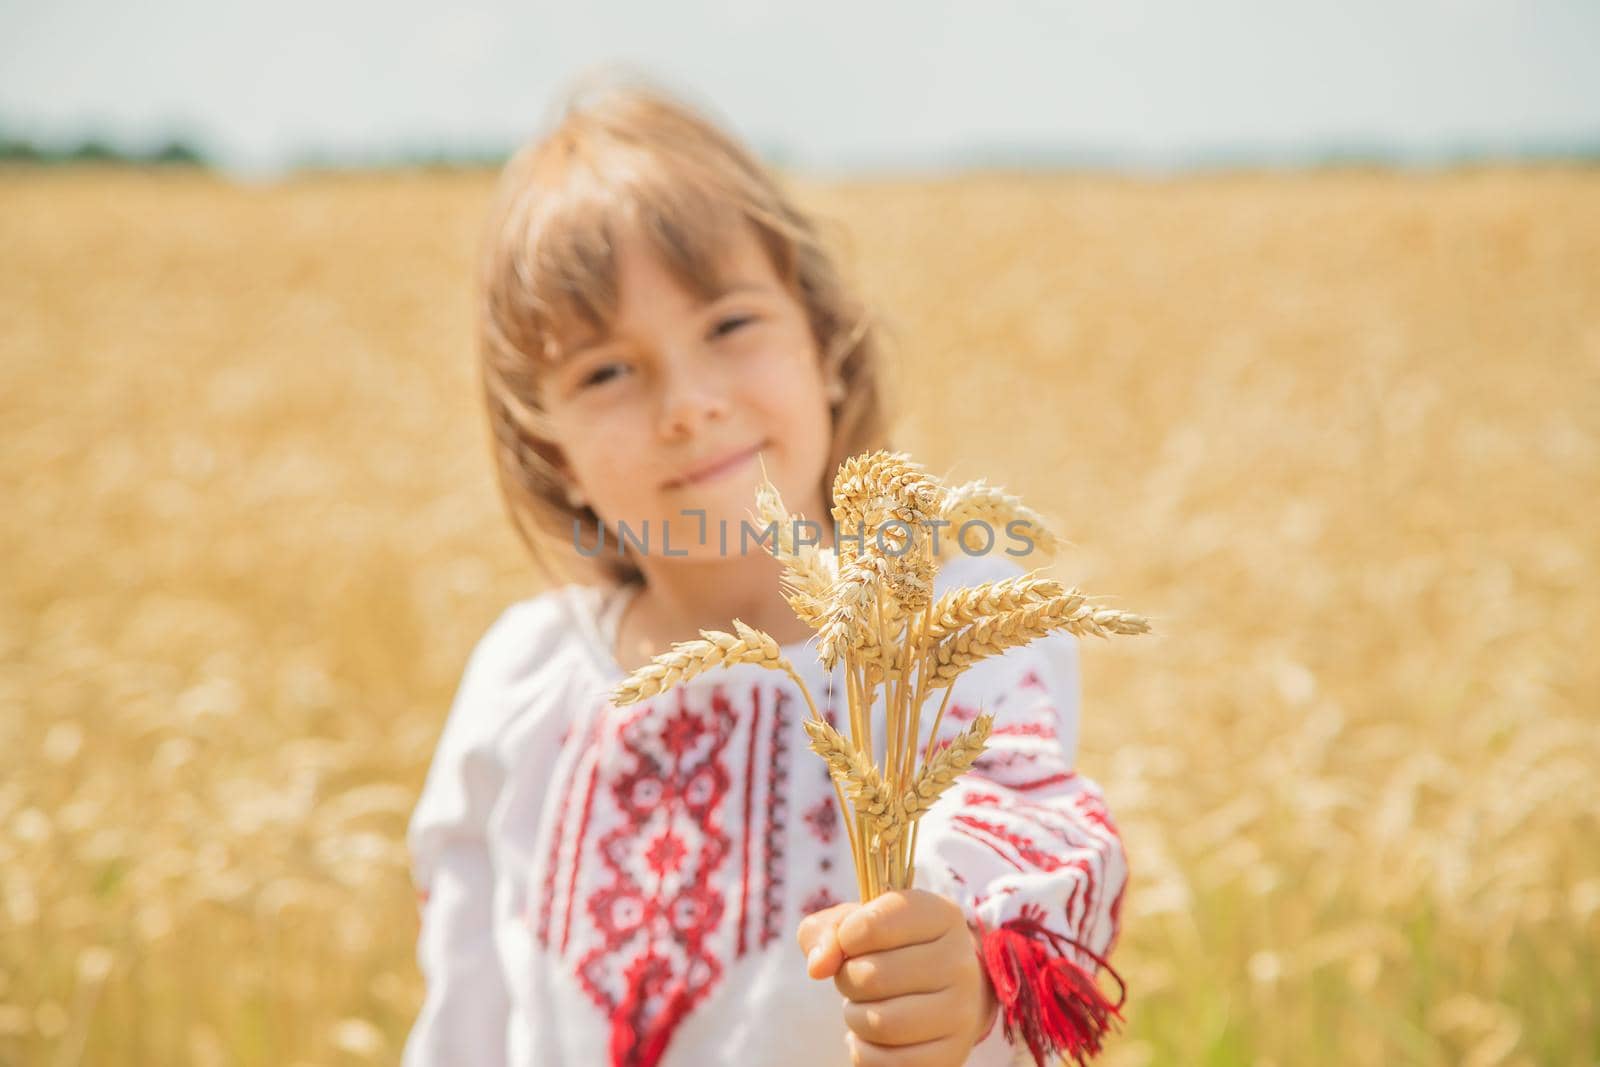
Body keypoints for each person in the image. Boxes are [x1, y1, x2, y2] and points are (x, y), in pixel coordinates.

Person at [402, 75, 1129, 1067]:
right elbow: (464, 1017)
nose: (688, 402)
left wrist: (963, 989)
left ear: (825, 341)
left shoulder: (941, 640)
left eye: (730, 325)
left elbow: (1026, 851)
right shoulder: (519, 679)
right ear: (547, 445)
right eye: (605, 371)